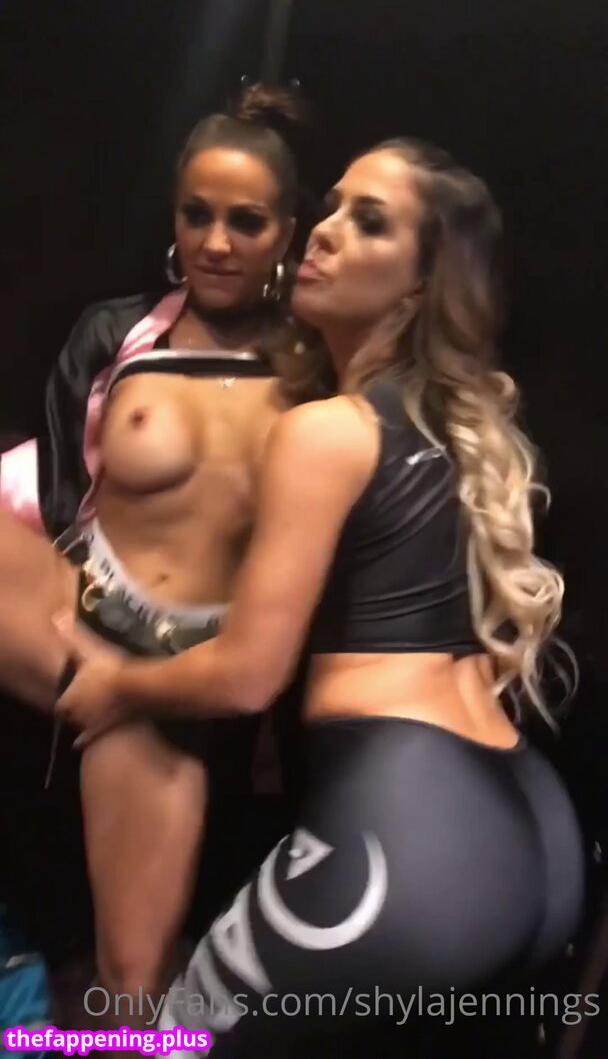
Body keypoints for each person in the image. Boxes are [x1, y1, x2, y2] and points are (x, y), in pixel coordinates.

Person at [27, 138, 588, 1048]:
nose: (325, 233)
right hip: (536, 839)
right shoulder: (457, 428)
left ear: (419, 283)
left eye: (369, 223)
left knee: (154, 1040)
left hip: (406, 842)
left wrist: (118, 684)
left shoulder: (329, 430)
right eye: (332, 207)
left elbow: (248, 674)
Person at [0, 82, 318, 1022]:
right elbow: (66, 490)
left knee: (132, 984)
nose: (216, 241)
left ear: (286, 231)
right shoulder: (116, 332)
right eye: (196, 214)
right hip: (87, 609)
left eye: (246, 221)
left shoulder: (315, 364)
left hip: (192, 668)